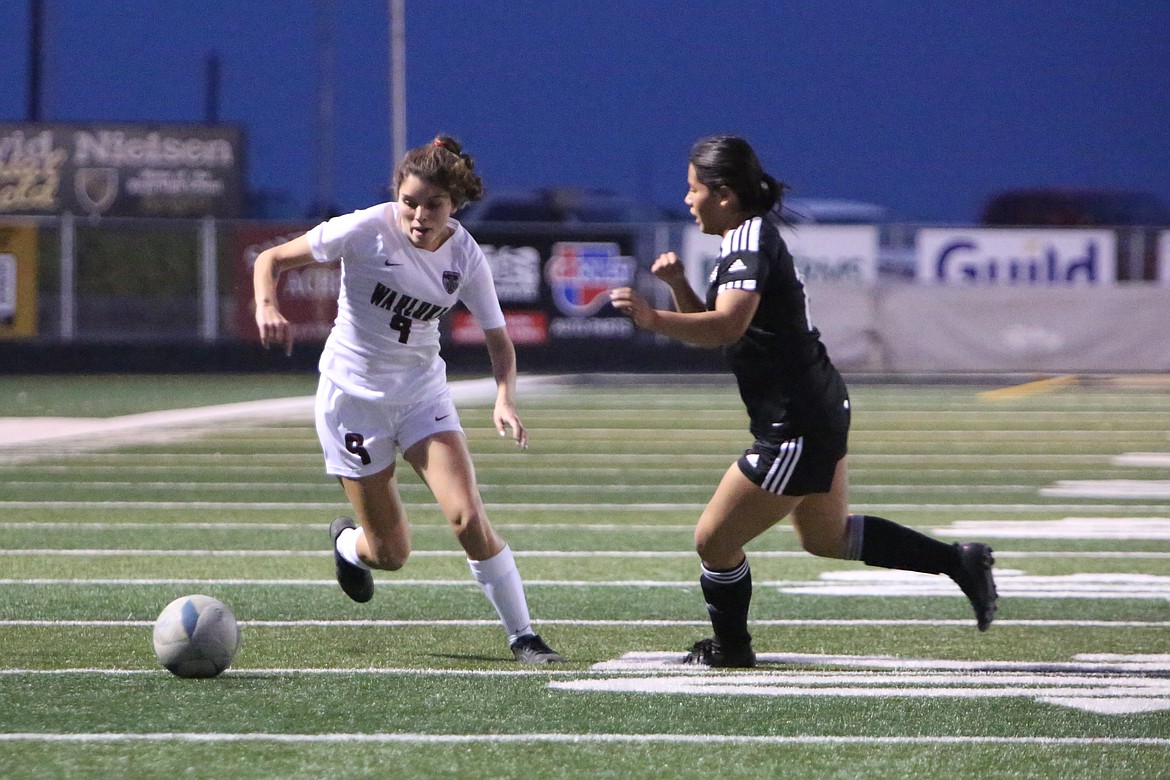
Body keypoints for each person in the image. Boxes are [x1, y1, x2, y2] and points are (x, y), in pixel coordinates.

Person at [609, 135, 997, 668]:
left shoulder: (747, 241)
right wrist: (678, 286)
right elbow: (723, 329)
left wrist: (653, 318)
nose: (687, 199)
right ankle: (959, 562)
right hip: (814, 406)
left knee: (712, 541)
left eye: (693, 189)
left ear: (723, 193)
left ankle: (732, 648)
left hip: (795, 420)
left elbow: (726, 327)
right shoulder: (744, 236)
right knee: (828, 536)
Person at [252, 135, 562, 664]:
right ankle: (349, 546)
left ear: (455, 206)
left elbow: (498, 340)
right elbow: (272, 259)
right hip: (352, 400)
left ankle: (524, 636)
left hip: (422, 398)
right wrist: (266, 306)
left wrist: (504, 399)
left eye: (433, 205)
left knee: (468, 519)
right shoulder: (364, 228)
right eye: (409, 201)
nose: (419, 215)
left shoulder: (464, 254)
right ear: (397, 193)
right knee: (391, 555)